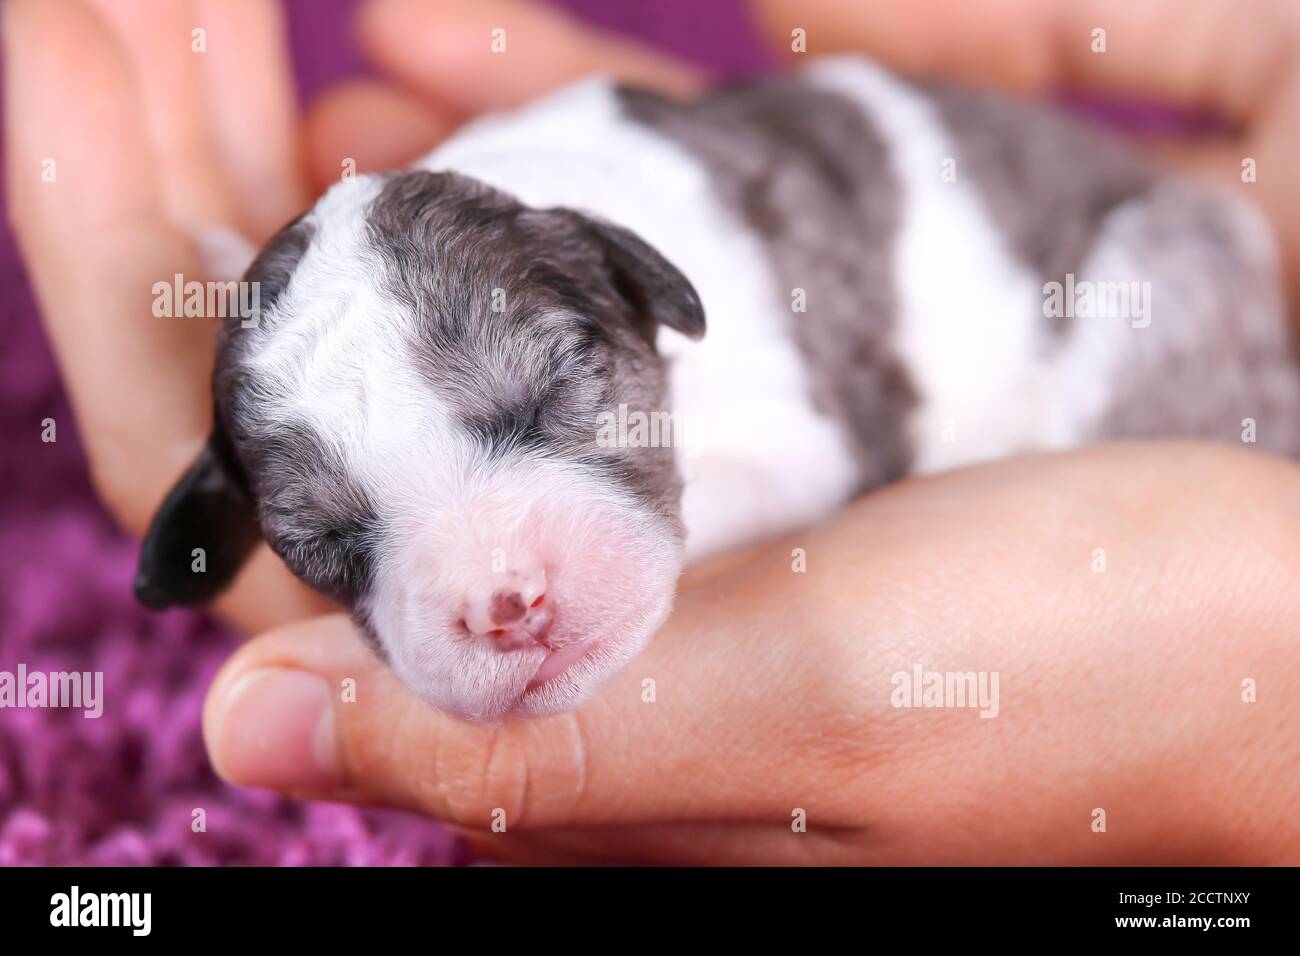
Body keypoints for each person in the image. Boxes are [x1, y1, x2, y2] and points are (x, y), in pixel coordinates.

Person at [6, 0, 1299, 864]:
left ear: (638, 291)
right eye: (341, 543)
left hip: (1126, 281)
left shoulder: (713, 266)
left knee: (1178, 289)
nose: (491, 596)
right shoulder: (537, 271)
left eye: (533, 411)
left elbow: (810, 448)